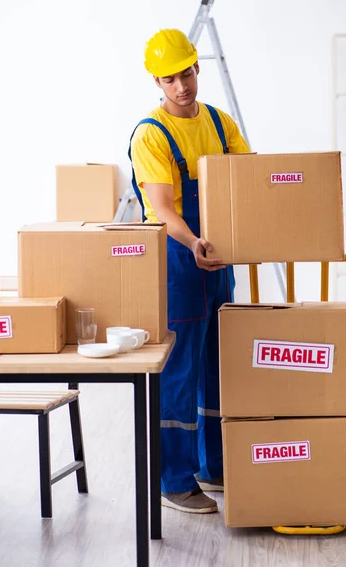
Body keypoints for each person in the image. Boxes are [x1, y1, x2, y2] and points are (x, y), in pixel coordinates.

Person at [130, 29, 250, 514]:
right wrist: (194, 241)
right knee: (179, 373)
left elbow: (248, 181)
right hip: (178, 262)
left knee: (219, 366)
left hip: (217, 259)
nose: (181, 86)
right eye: (169, 79)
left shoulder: (220, 125)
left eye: (187, 73)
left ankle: (212, 466)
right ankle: (175, 480)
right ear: (156, 82)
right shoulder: (151, 134)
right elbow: (160, 207)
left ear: (198, 67)